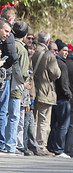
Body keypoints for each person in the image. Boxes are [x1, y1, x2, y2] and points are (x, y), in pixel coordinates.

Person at [32, 30, 61, 155]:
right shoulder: (49, 55)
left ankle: (30, 144)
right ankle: (41, 146)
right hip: (45, 91)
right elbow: (56, 74)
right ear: (48, 41)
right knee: (44, 121)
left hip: (31, 90)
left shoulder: (32, 52)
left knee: (32, 119)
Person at [4, 21, 30, 155]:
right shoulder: (22, 49)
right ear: (25, 35)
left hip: (6, 83)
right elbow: (23, 71)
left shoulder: (8, 43)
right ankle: (10, 145)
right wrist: (25, 81)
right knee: (14, 116)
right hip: (16, 86)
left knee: (4, 114)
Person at [47, 39, 72, 158]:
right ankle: (58, 149)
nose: (66, 53)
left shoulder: (54, 62)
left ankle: (52, 147)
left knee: (54, 125)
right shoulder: (61, 64)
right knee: (62, 125)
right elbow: (63, 84)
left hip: (54, 98)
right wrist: (68, 95)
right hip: (62, 99)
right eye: (64, 50)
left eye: (67, 50)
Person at [0, 8, 19, 153]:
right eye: (6, 31)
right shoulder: (9, 39)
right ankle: (3, 144)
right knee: (4, 112)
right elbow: (13, 58)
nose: (7, 34)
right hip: (4, 77)